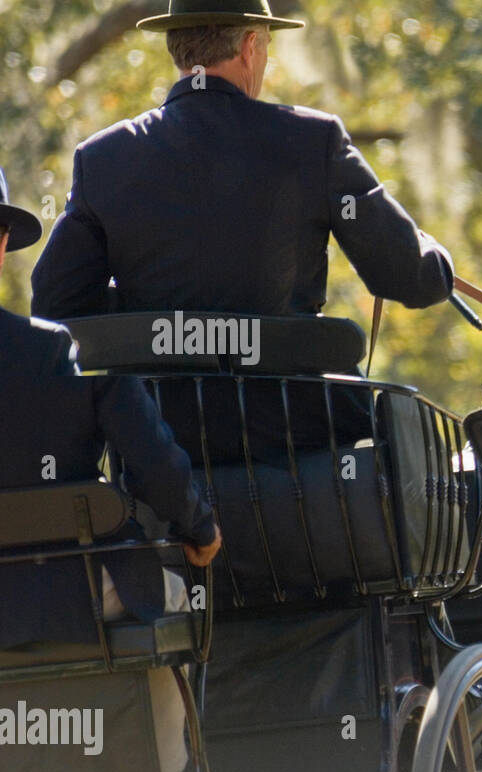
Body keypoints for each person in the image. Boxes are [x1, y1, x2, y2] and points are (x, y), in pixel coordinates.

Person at [30, 1, 457, 463]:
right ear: (250, 45)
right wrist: (432, 256)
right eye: (267, 43)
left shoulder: (104, 159)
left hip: (164, 450)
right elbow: (412, 280)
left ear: (177, 48)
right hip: (304, 453)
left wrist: (153, 319)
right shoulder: (313, 140)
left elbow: (55, 303)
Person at [0, 165, 222, 772]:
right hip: (77, 592)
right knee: (174, 601)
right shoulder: (67, 354)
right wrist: (198, 527)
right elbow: (154, 462)